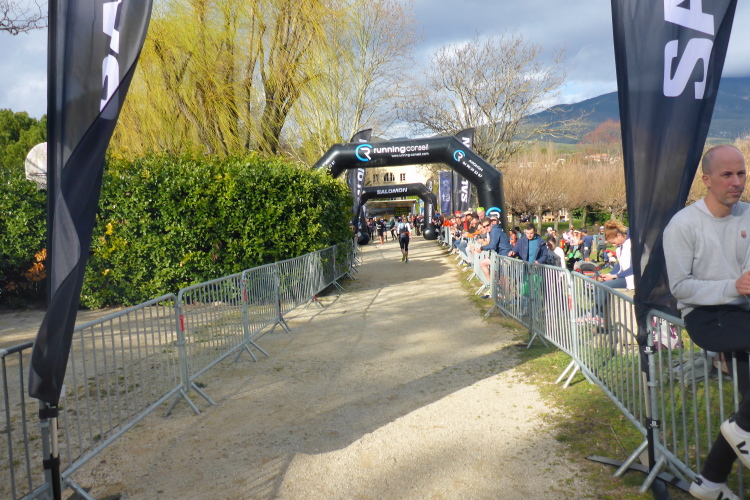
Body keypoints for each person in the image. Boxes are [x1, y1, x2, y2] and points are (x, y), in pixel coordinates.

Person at [664, 144, 750, 500]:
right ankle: (740, 432)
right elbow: (680, 287)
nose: (737, 182)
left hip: (743, 311)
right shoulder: (683, 224)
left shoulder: (748, 215)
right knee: (746, 416)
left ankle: (710, 481)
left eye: (741, 173)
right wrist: (733, 286)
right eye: (727, 175)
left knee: (748, 405)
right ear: (706, 180)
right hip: (704, 314)